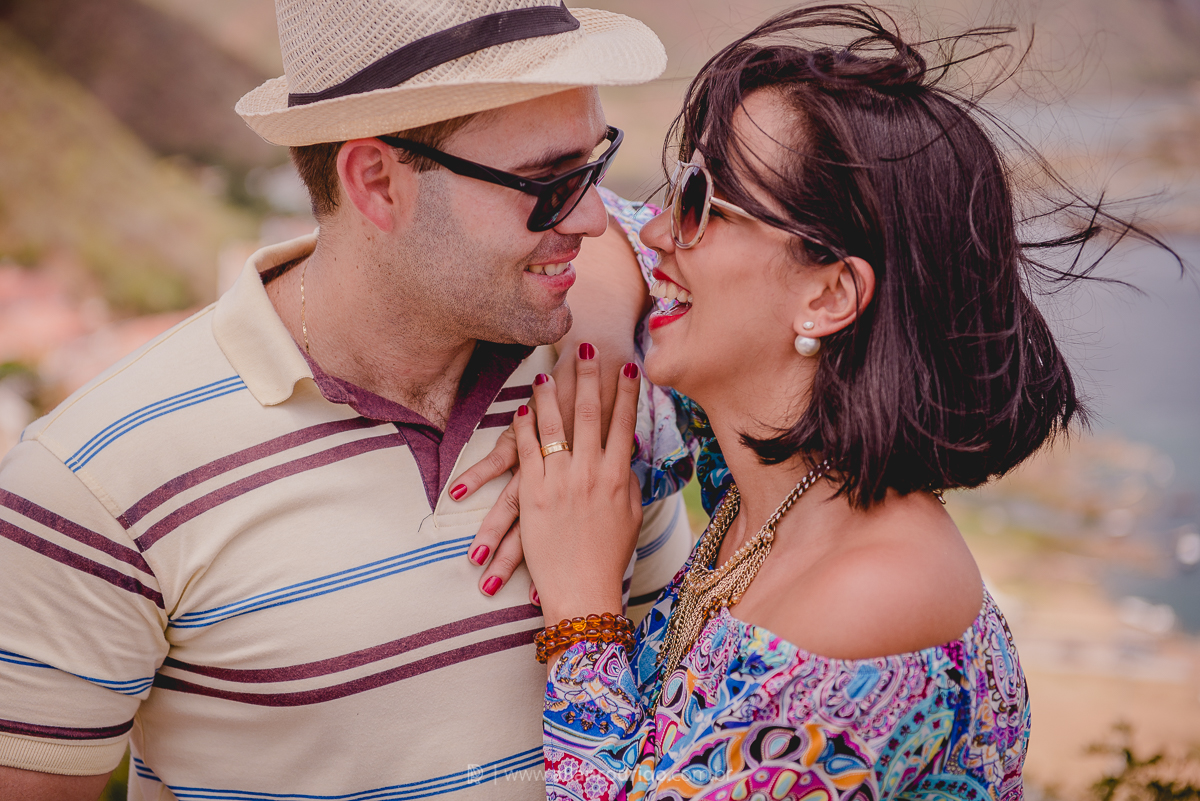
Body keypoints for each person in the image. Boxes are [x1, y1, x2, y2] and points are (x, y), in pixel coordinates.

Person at [0, 1, 696, 798]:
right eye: (548, 182)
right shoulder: (92, 479)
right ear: (375, 182)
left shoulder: (594, 392)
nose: (595, 219)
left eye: (595, 165)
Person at [497, 5, 1170, 799]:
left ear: (829, 295)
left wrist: (582, 611)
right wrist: (602, 353)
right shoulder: (772, 485)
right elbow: (613, 226)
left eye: (704, 204)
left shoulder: (869, 603)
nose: (663, 237)